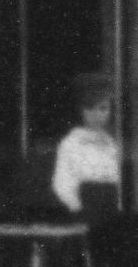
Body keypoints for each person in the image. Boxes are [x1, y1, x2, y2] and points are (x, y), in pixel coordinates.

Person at [48, 77, 123, 217]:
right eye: (90, 109)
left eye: (104, 108)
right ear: (82, 111)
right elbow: (62, 185)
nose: (97, 114)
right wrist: (78, 209)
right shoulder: (71, 143)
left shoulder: (111, 144)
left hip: (112, 212)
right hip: (85, 211)